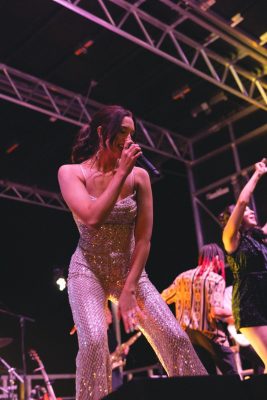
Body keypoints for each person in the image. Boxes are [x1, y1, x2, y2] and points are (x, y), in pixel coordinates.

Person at [58, 105, 207, 400]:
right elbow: (91, 216)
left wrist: (128, 289)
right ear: (102, 133)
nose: (128, 139)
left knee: (174, 336)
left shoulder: (139, 177)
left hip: (131, 272)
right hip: (87, 270)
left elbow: (144, 239)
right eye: (122, 132)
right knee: (94, 344)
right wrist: (120, 172)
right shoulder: (71, 173)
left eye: (132, 134)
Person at [219, 157, 267, 374]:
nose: (252, 212)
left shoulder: (258, 238)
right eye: (248, 213)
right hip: (250, 305)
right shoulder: (232, 240)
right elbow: (242, 203)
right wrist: (257, 174)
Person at [161, 243, 239, 375]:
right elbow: (216, 311)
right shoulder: (216, 279)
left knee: (203, 377)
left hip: (186, 336)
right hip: (209, 334)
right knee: (231, 374)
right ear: (215, 258)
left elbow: (162, 299)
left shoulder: (182, 277)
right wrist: (238, 313)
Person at [223, 286, 265, 375]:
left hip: (259, 331)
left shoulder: (256, 288)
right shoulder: (229, 291)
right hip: (242, 337)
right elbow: (226, 317)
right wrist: (248, 318)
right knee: (261, 356)